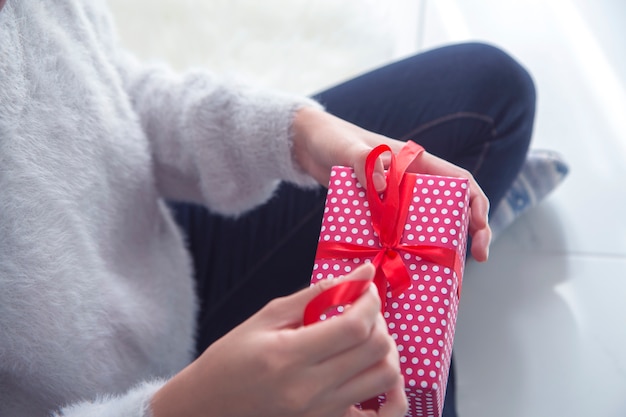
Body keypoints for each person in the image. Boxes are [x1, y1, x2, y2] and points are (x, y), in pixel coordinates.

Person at [0, 1, 534, 417]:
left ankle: (439, 264)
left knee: (493, 90)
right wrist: (190, 406)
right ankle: (442, 279)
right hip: (136, 401)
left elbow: (114, 88)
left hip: (164, 260)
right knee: (403, 365)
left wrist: (305, 136)